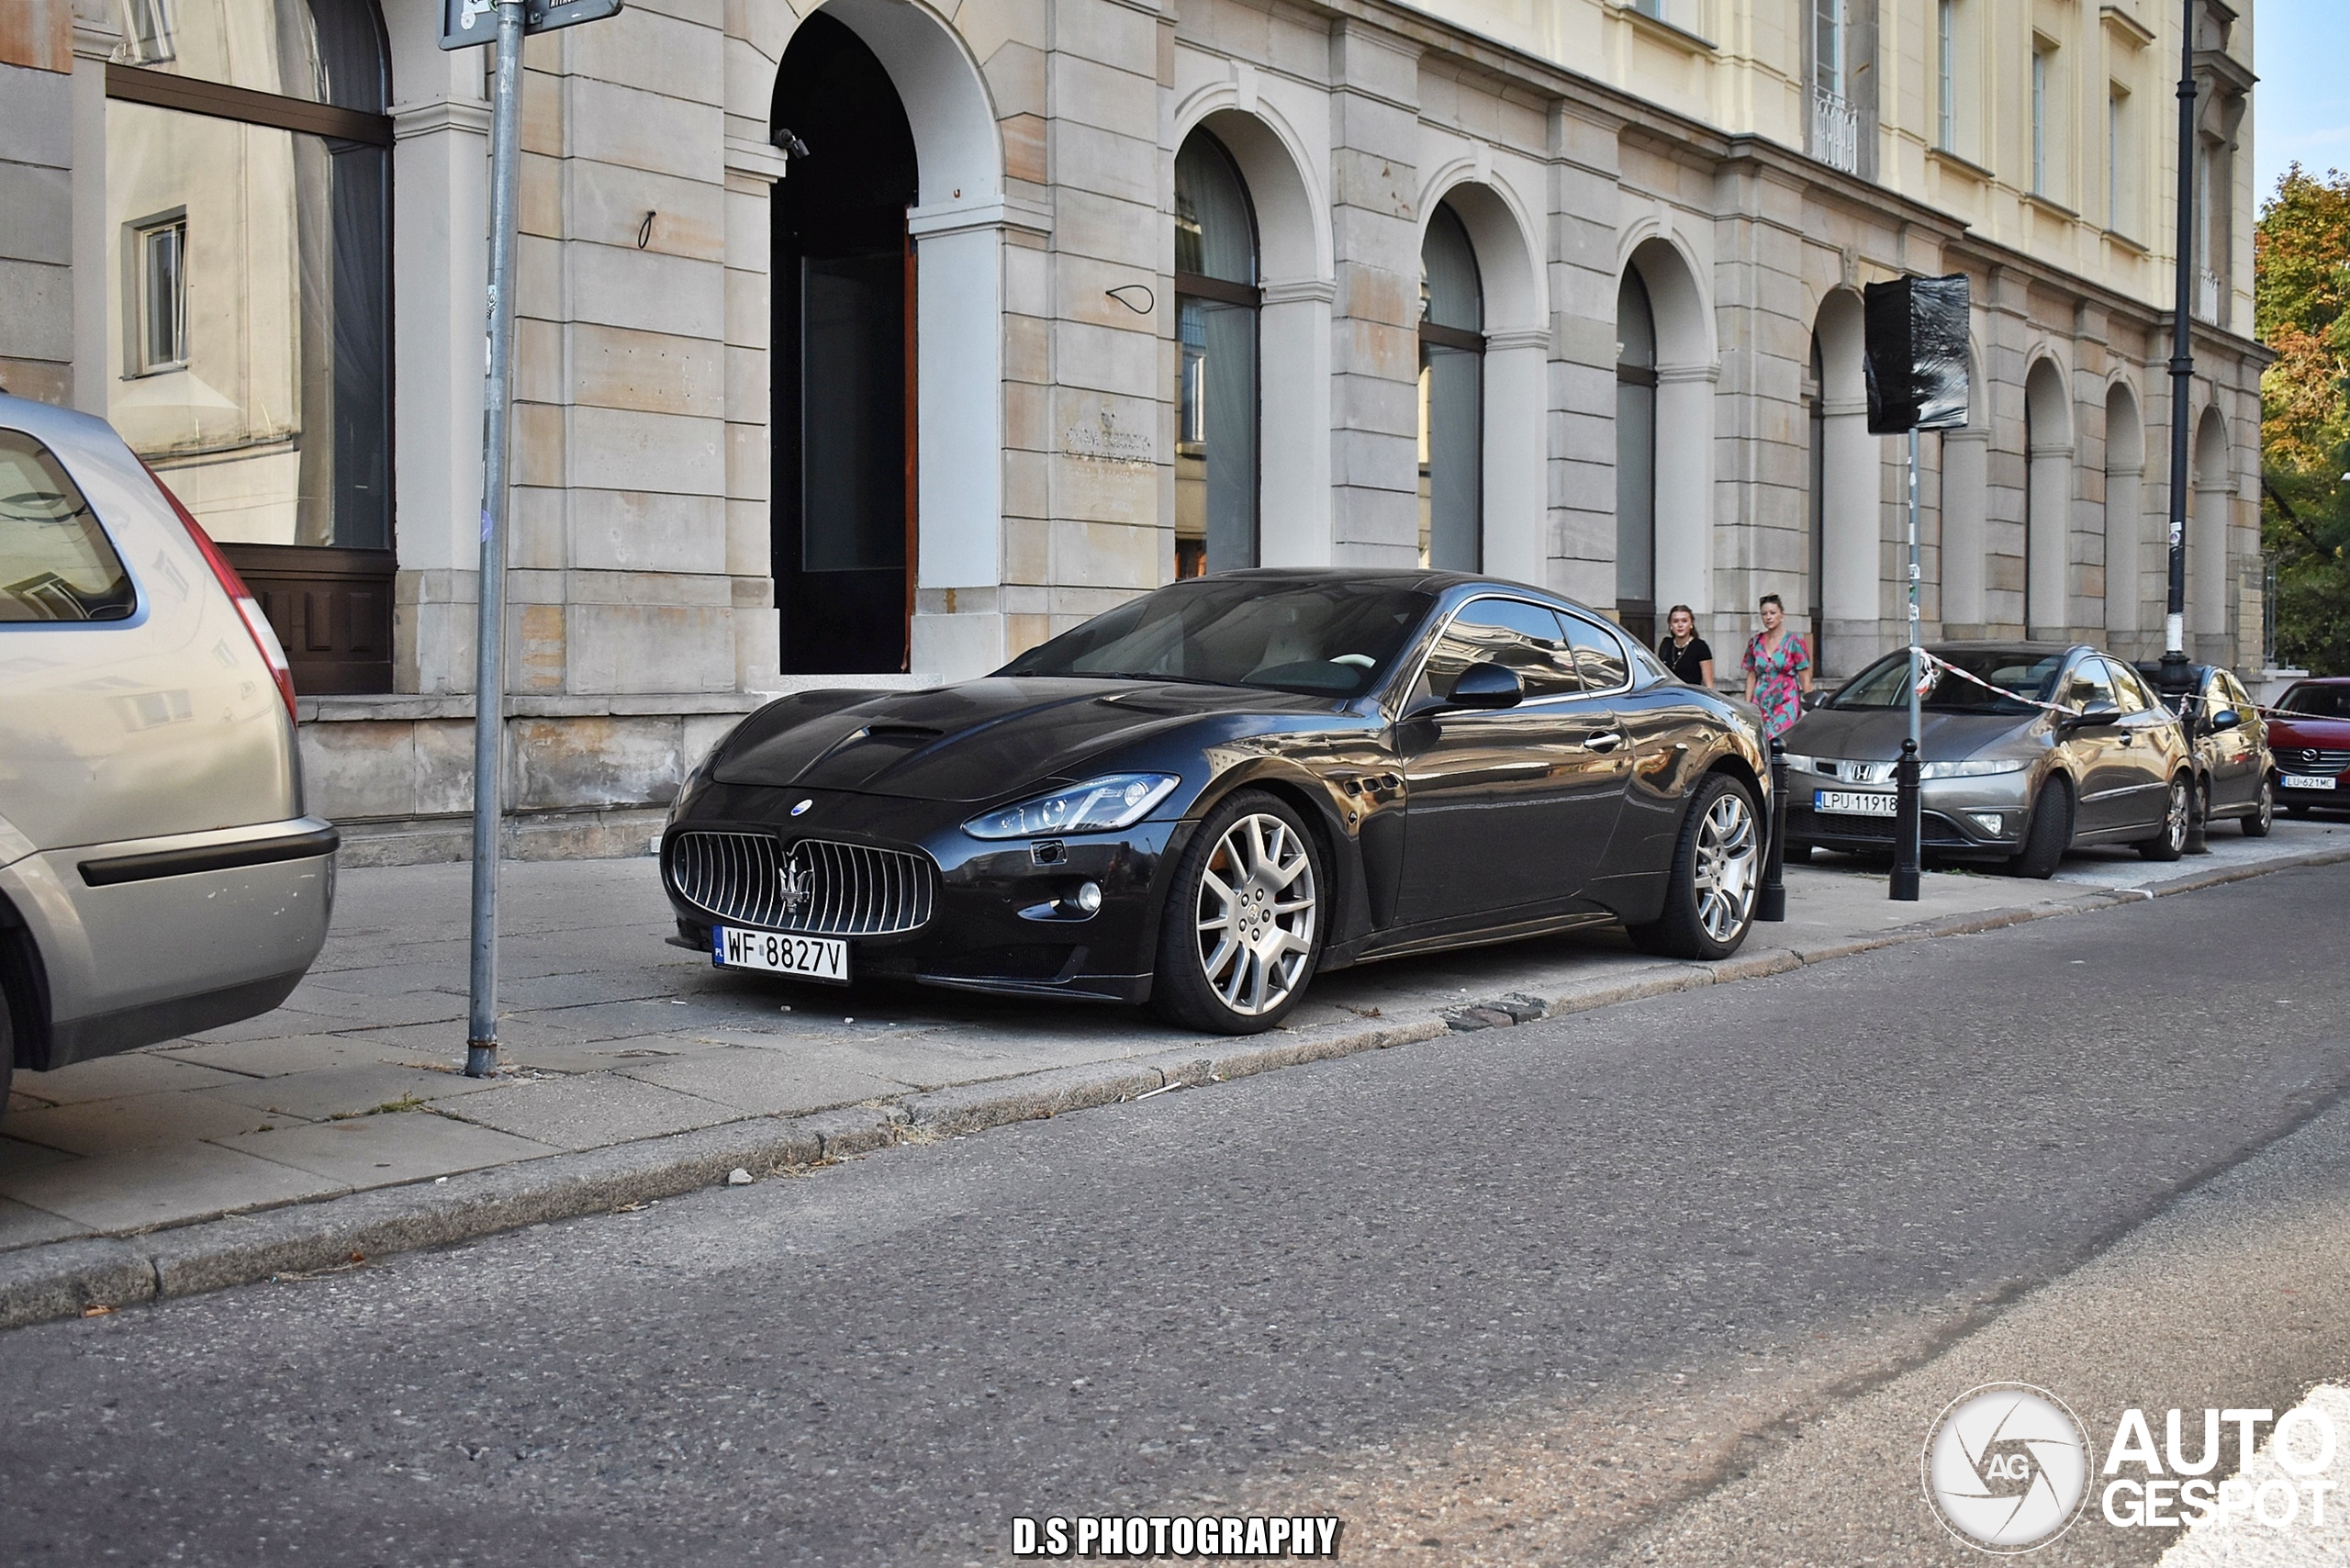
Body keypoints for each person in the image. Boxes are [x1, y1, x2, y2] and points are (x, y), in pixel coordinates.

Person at [1741, 593, 1813, 739]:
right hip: (1760, 703)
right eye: (1764, 614)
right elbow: (1751, 675)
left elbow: (1805, 678)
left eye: (1773, 613)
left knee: (1782, 741)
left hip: (1785, 701)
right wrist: (1746, 705)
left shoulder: (1794, 642)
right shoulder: (1755, 642)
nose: (1768, 617)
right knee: (1761, 742)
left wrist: (1811, 705)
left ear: (1782, 615)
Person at [1656, 604, 1714, 688]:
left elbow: (1709, 684)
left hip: (1691, 696)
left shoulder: (1700, 646)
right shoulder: (1666, 644)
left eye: (1684, 621)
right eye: (1675, 621)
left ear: (1691, 623)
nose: (1680, 625)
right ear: (1670, 624)